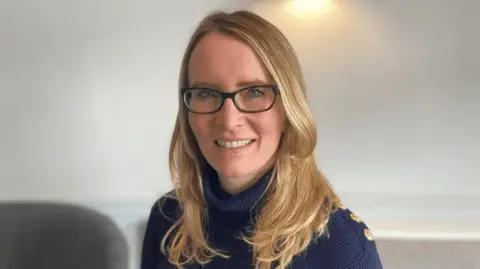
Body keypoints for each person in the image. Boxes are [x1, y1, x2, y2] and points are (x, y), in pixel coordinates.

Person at [140, 10, 383, 269]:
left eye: (254, 92)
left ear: (289, 111)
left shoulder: (342, 247)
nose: (229, 120)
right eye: (205, 92)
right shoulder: (168, 220)